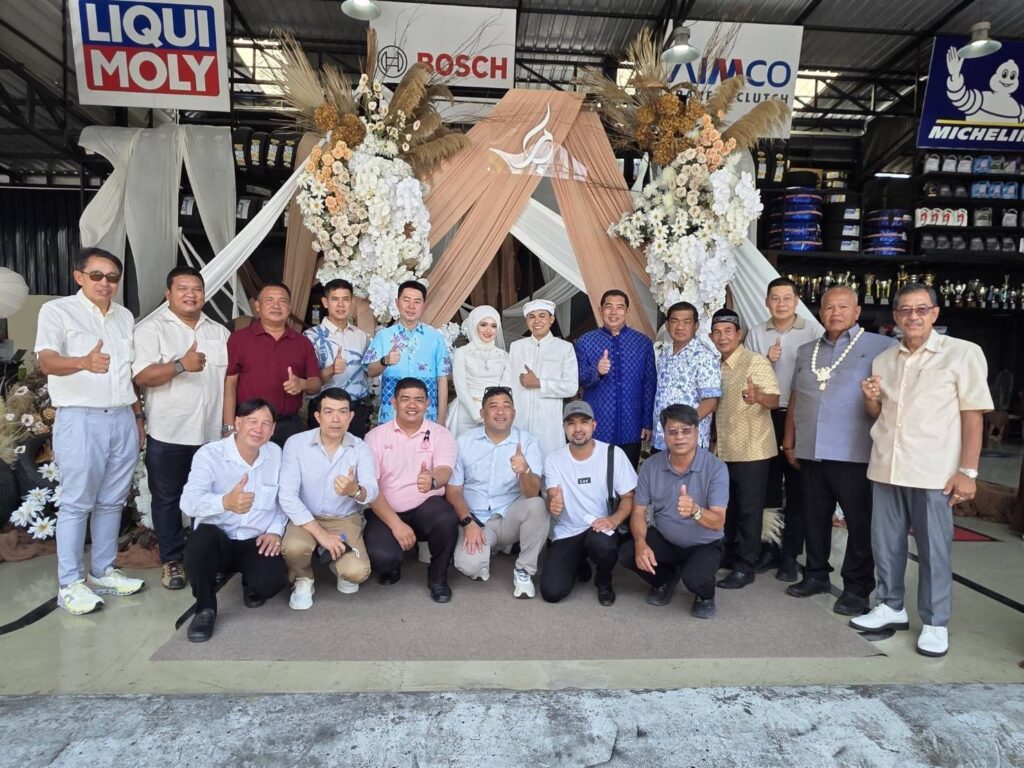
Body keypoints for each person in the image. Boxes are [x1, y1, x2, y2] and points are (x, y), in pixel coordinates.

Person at [853, 283, 992, 657]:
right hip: (887, 465)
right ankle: (890, 605)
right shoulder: (885, 360)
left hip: (934, 471)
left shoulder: (962, 354)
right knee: (886, 544)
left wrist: (968, 472)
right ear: (895, 316)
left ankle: (935, 622)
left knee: (934, 550)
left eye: (921, 309)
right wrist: (870, 399)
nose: (913, 316)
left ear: (935, 313)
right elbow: (878, 414)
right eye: (905, 310)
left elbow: (973, 416)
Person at [36, 247, 146, 615]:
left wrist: (137, 416)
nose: (105, 283)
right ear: (79, 276)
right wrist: (83, 361)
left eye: (112, 277)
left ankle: (102, 571)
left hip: (122, 417)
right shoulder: (57, 311)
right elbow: (46, 361)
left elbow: (128, 373)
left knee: (113, 500)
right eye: (97, 275)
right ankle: (70, 584)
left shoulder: (124, 316)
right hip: (80, 417)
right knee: (77, 502)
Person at [782, 285, 896, 615]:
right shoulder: (807, 351)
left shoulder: (882, 346)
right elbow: (796, 398)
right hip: (811, 450)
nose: (835, 313)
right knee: (814, 518)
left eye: (843, 307)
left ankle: (857, 589)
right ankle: (815, 574)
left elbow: (890, 400)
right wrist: (789, 440)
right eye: (829, 307)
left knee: (859, 524)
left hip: (854, 452)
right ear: (820, 312)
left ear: (857, 312)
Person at [133, 266, 229, 591]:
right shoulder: (151, 329)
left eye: (196, 289)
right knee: (167, 499)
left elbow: (229, 382)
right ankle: (172, 560)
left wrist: (228, 426)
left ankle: (206, 558)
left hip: (211, 434)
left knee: (211, 498)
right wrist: (179, 365)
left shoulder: (219, 332)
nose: (191, 294)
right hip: (169, 433)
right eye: (182, 288)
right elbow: (141, 377)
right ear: (168, 294)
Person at [179, 399, 288, 642]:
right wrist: (225, 502)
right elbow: (188, 503)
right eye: (252, 421)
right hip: (218, 539)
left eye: (265, 424)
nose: (258, 429)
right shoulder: (210, 454)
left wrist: (275, 531)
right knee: (201, 541)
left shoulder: (276, 454)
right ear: (237, 423)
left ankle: (250, 582)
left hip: (255, 539)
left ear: (273, 429)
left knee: (271, 583)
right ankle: (205, 608)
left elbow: (283, 502)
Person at [618, 404, 728, 619]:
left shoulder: (716, 468)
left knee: (694, 579)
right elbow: (638, 512)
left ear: (697, 431)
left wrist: (695, 511)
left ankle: (705, 595)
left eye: (686, 430)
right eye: (672, 431)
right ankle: (665, 579)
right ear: (664, 433)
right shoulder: (650, 466)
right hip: (666, 539)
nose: (679, 437)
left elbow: (718, 522)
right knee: (628, 553)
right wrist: (640, 544)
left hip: (703, 544)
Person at [745, 277, 820, 581]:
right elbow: (746, 375)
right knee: (769, 484)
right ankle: (770, 548)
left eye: (787, 298)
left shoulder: (813, 331)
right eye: (775, 298)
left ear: (796, 300)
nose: (781, 304)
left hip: (800, 415)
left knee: (799, 486)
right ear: (766, 302)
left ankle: (791, 554)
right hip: (765, 414)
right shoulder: (756, 333)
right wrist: (766, 361)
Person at [279, 388, 378, 610]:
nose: (336, 419)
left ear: (351, 417)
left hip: (343, 518)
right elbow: (287, 495)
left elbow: (371, 490)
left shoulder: (360, 448)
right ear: (317, 416)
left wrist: (355, 490)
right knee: (294, 548)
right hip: (306, 517)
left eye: (342, 412)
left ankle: (335, 561)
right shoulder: (296, 444)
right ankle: (303, 578)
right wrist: (321, 535)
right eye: (329, 412)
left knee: (356, 572)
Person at [363, 377, 459, 603]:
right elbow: (371, 488)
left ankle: (438, 578)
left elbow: (445, 470)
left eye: (419, 399)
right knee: (382, 558)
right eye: (405, 399)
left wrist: (433, 480)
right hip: (387, 510)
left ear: (427, 404)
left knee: (446, 518)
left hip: (426, 507)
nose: (412, 405)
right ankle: (393, 564)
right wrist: (396, 525)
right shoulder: (374, 437)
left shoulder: (440, 434)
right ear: (394, 402)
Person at [448, 386, 547, 598]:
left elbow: (533, 492)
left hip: (509, 516)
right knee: (470, 565)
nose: (500, 412)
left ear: (514, 413)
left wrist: (525, 471)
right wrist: (468, 522)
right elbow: (454, 491)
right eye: (493, 406)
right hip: (477, 520)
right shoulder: (464, 441)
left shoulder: (527, 441)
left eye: (506, 406)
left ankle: (524, 570)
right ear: (482, 413)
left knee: (538, 506)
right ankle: (491, 548)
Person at [709, 308, 780, 590]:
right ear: (711, 336)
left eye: (728, 331)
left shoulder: (755, 361)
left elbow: (774, 400)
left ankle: (745, 566)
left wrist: (757, 396)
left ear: (739, 334)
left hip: (753, 449)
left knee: (750, 510)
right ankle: (728, 555)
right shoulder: (715, 365)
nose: (723, 337)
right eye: (717, 332)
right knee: (728, 507)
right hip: (724, 449)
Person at [540, 400, 637, 606]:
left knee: (603, 545)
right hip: (568, 530)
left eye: (584, 422)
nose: (578, 429)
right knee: (551, 592)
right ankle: (579, 563)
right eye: (571, 423)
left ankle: (604, 580)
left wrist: (614, 519)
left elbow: (629, 497)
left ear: (594, 425)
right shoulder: (554, 459)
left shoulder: (613, 454)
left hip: (600, 527)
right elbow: (552, 495)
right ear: (564, 427)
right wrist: (552, 503)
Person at [224, 282, 321, 447]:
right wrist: (228, 427)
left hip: (289, 425)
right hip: (251, 423)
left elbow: (316, 384)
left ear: (289, 308)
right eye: (269, 300)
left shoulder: (302, 343)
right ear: (257, 306)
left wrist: (302, 384)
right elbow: (230, 384)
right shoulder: (239, 339)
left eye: (282, 301)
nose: (276, 305)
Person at [575, 289, 656, 468]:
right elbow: (579, 379)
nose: (614, 312)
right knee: (596, 475)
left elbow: (649, 384)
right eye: (608, 307)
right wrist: (597, 371)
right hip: (598, 424)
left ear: (627, 311)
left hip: (632, 423)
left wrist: (647, 422)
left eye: (620, 307)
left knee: (627, 476)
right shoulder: (585, 341)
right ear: (600, 310)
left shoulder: (643, 343)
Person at [364, 281, 451, 425]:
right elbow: (370, 371)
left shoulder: (435, 338)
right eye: (406, 300)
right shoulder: (383, 336)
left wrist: (441, 419)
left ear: (423, 305)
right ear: (397, 302)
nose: (411, 306)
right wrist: (385, 361)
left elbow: (442, 379)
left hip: (427, 417)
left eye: (417, 302)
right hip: (391, 416)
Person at [508, 299, 579, 458]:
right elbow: (507, 384)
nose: (537, 321)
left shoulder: (564, 348)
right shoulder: (516, 347)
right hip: (520, 422)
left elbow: (572, 387)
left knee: (549, 465)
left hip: (549, 425)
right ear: (526, 321)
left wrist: (540, 383)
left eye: (542, 316)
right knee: (519, 465)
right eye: (532, 317)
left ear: (551, 319)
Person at [304, 279, 372, 437]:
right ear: (325, 302)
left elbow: (369, 371)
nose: (341, 305)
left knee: (354, 452)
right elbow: (308, 383)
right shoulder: (310, 337)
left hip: (355, 410)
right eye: (335, 299)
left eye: (345, 299)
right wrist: (331, 370)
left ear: (351, 302)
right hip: (324, 409)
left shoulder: (361, 336)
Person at [652, 301, 721, 452]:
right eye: (675, 321)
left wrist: (683, 427)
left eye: (686, 322)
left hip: (687, 441)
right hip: (662, 439)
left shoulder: (704, 356)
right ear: (667, 325)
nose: (680, 327)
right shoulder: (664, 354)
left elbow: (711, 402)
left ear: (696, 326)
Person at [446, 305, 512, 438]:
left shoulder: (504, 356)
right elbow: (461, 388)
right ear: (474, 325)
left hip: (496, 413)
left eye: (493, 326)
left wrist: (494, 413)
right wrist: (478, 415)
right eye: (483, 324)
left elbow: (506, 388)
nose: (489, 330)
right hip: (466, 413)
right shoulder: (462, 352)